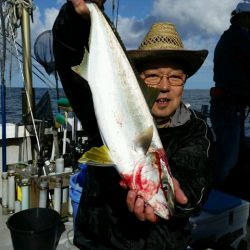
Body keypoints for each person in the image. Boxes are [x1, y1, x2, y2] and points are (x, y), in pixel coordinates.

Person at [52, 1, 213, 249]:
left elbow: (192, 186)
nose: (163, 85)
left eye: (175, 77)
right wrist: (76, 16)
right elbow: (68, 52)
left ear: (184, 83)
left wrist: (173, 198)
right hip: (101, 242)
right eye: (153, 75)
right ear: (137, 80)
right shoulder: (104, 112)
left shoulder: (197, 130)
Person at [209, 0, 250, 190]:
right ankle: (213, 199)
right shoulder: (240, 36)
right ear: (242, 17)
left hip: (229, 108)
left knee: (233, 156)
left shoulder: (230, 36)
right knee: (228, 160)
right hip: (230, 109)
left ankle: (226, 196)